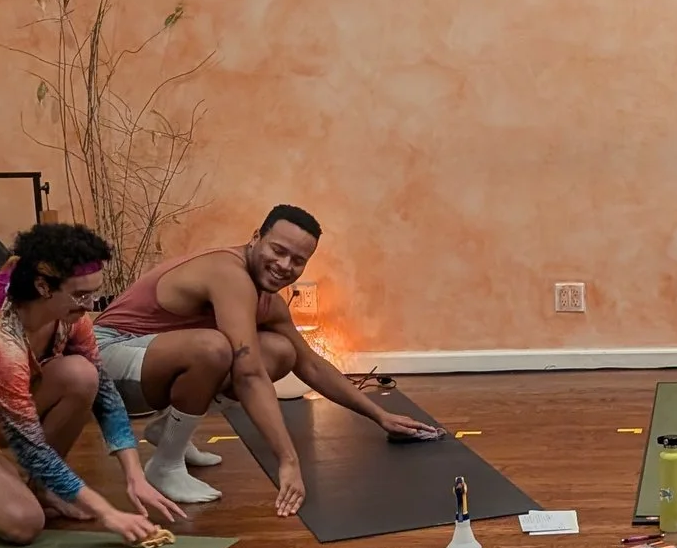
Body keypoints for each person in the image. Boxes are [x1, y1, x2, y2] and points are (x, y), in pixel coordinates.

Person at [94, 204, 439, 515]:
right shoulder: (229, 273)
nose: (285, 266)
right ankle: (165, 465)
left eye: (298, 260)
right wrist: (288, 460)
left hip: (150, 361)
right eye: (278, 250)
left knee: (280, 351)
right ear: (256, 237)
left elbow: (310, 364)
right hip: (107, 358)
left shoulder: (267, 300)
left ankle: (169, 432)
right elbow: (248, 374)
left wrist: (380, 415)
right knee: (214, 348)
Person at [0, 221, 181, 546]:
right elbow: (29, 446)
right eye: (80, 294)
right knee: (24, 523)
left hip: (5, 410)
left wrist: (135, 477)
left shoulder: (72, 320)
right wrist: (108, 513)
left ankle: (42, 486)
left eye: (93, 293)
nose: (90, 305)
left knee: (82, 375)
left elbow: (105, 396)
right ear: (43, 287)